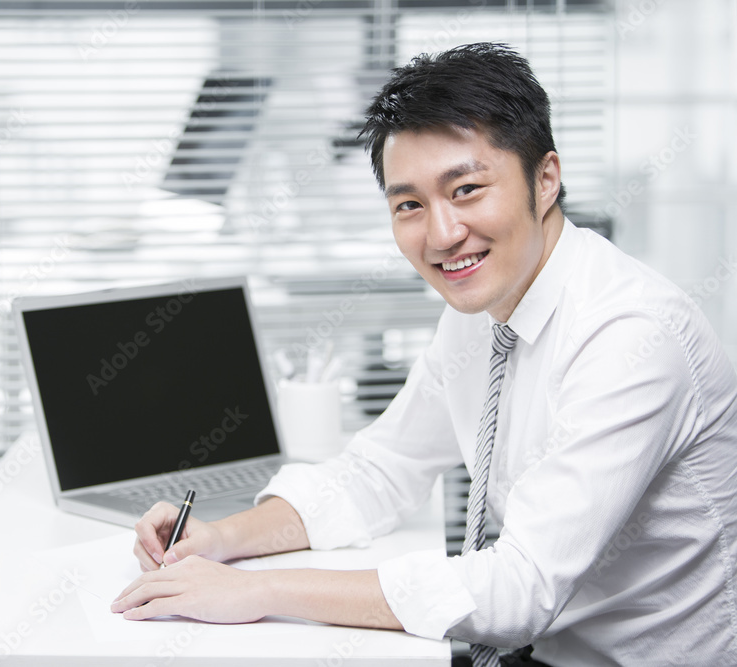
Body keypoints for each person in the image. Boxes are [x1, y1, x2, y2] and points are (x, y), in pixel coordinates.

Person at [110, 43, 737, 667]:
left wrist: (258, 591)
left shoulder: (630, 335)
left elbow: (520, 589)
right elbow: (381, 471)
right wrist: (219, 541)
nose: (441, 235)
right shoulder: (481, 309)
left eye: (466, 189)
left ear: (545, 179)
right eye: (410, 204)